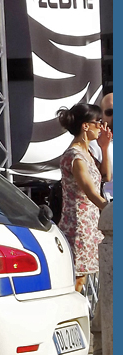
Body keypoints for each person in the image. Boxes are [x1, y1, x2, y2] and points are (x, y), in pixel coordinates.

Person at [57, 103, 110, 293]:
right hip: (78, 224)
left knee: (85, 277)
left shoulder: (87, 153)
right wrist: (110, 210)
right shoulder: (75, 156)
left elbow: (106, 176)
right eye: (98, 122)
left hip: (90, 221)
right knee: (78, 279)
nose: (102, 127)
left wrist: (104, 148)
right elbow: (89, 190)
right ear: (85, 126)